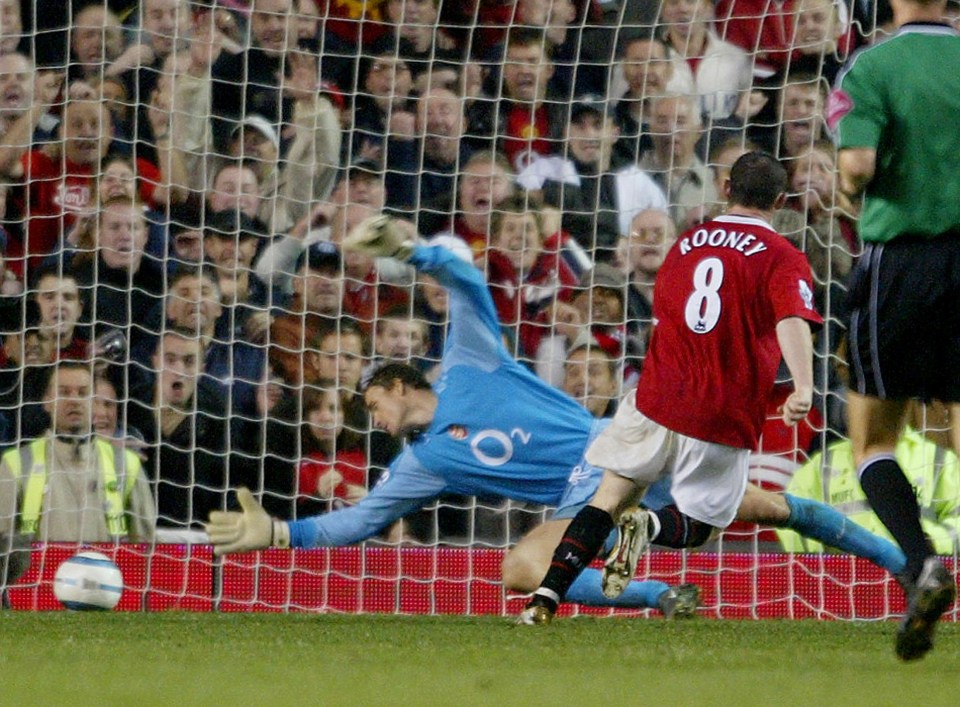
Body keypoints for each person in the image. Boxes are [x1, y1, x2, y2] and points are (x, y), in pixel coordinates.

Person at [206, 215, 905, 618]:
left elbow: (467, 279)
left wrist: (411, 252)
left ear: (396, 380)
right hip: (613, 478)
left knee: (523, 570)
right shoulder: (422, 460)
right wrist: (278, 530)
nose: (375, 419)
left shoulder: (469, 361)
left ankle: (660, 591)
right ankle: (901, 563)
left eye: (372, 402)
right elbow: (359, 521)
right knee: (769, 509)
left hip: (616, 455)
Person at [517, 151, 824, 624]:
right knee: (701, 526)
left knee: (607, 497)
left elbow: (667, 309)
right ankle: (650, 526)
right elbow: (792, 318)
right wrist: (802, 385)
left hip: (656, 395)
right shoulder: (783, 256)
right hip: (720, 407)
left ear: (725, 188)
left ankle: (544, 600)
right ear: (781, 201)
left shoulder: (686, 244)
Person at [830, 0, 960, 660]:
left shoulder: (872, 64)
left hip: (900, 265)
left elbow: (856, 165)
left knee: (874, 437)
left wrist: (853, 197)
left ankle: (922, 563)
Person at [0, 361, 156, 543]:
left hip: (108, 570)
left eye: (83, 393)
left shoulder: (126, 464)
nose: (74, 400)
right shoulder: (16, 463)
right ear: (47, 401)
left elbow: (147, 547)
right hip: (42, 571)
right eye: (64, 392)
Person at [777, 425, 960, 555]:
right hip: (840, 585)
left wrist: (931, 542)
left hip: (916, 578)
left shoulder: (938, 459)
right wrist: (827, 549)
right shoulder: (823, 464)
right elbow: (787, 519)